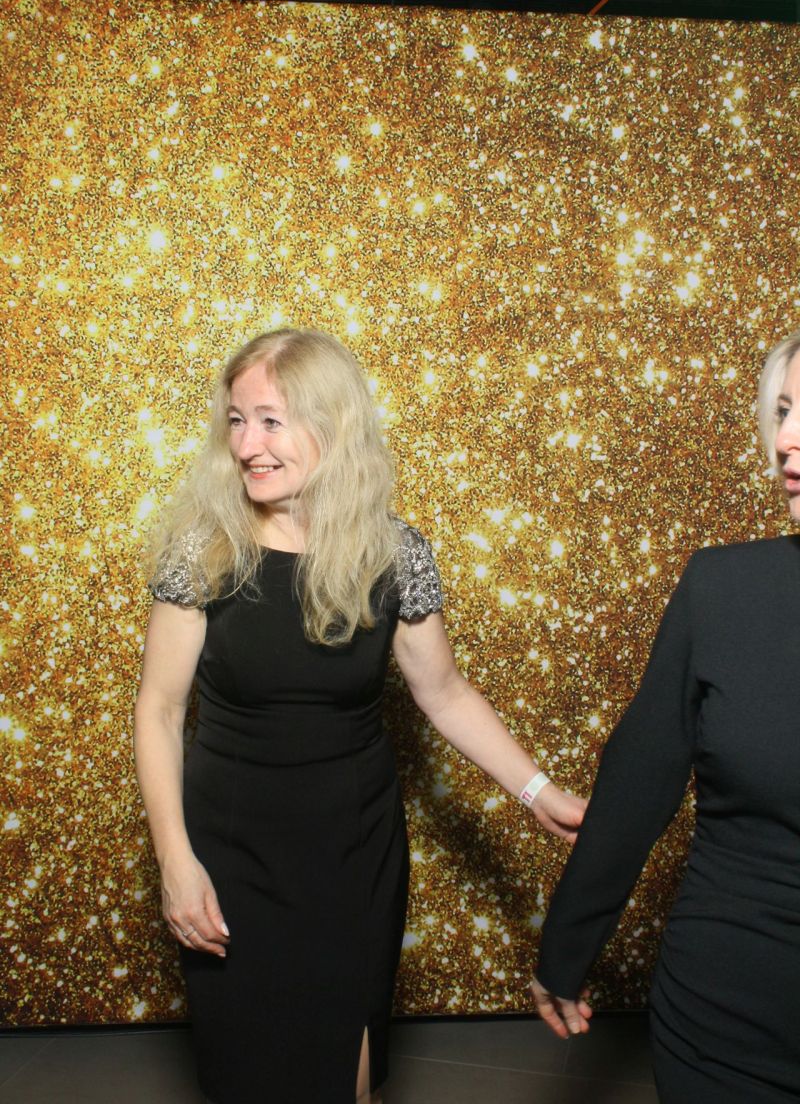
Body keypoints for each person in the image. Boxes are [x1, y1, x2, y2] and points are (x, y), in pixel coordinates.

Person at [134, 328, 585, 1104]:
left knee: (349, 1072)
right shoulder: (203, 550)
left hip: (355, 853)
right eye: (236, 421)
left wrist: (538, 791)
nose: (247, 445)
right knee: (249, 1075)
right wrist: (176, 863)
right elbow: (159, 710)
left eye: (270, 421)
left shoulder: (394, 552)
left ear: (332, 424)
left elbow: (444, 694)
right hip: (231, 852)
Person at [530, 330, 800, 1103]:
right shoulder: (722, 590)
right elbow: (636, 786)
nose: (786, 439)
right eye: (784, 411)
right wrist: (563, 954)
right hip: (727, 1022)